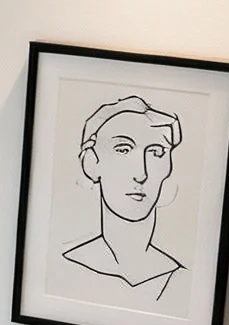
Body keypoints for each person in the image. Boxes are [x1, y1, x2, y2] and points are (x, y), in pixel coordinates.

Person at [61, 94, 184, 299]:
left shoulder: (181, 279)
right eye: (123, 150)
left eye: (156, 152)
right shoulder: (67, 268)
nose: (141, 174)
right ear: (90, 162)